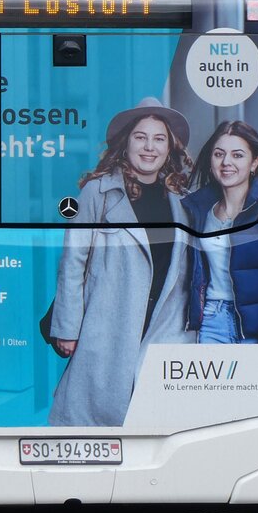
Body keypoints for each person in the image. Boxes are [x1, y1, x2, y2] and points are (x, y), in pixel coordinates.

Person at [47, 97, 195, 427]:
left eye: (159, 139)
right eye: (141, 137)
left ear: (169, 147)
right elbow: (73, 263)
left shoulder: (183, 199)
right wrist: (67, 329)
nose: (149, 147)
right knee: (94, 424)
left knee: (157, 427)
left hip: (163, 328)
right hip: (109, 326)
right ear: (126, 142)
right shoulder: (97, 193)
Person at [181, 121, 258, 344]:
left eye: (237, 155)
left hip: (256, 327)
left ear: (254, 163)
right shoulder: (196, 210)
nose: (226, 162)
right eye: (219, 154)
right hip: (211, 320)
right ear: (211, 161)